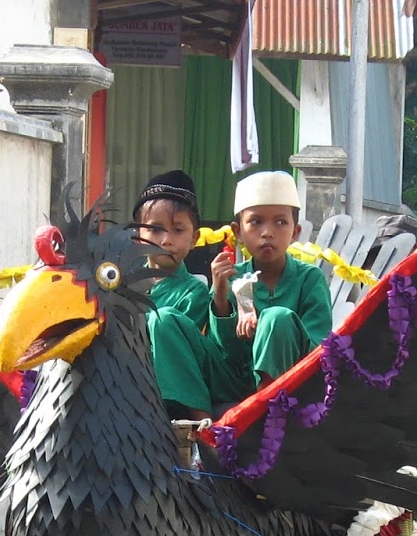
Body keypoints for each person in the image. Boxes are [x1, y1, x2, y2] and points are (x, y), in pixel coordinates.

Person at [209, 170, 334, 394]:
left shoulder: (310, 280)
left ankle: (267, 404)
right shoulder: (230, 279)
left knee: (277, 317)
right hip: (236, 384)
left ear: (295, 232)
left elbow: (318, 353)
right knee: (169, 322)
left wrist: (269, 331)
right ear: (238, 232)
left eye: (280, 222)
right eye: (256, 222)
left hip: (292, 386)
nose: (267, 232)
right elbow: (225, 354)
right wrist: (220, 297)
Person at [130, 170, 239, 421]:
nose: (166, 240)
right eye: (155, 229)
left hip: (167, 387)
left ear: (194, 238)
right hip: (128, 380)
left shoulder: (193, 292)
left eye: (178, 230)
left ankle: (199, 423)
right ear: (138, 236)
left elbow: (175, 354)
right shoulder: (122, 286)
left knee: (164, 319)